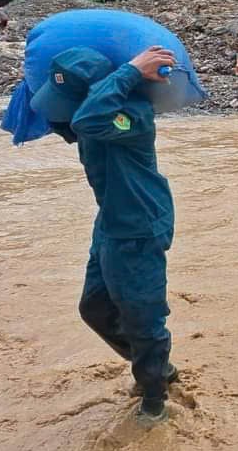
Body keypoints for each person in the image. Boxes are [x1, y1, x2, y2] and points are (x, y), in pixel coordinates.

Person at [31, 46, 179, 427]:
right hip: (111, 220)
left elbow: (89, 120)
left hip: (138, 228)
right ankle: (156, 366)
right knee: (94, 308)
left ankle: (154, 395)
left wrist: (130, 71)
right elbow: (64, 121)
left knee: (143, 317)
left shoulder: (132, 116)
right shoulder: (90, 113)